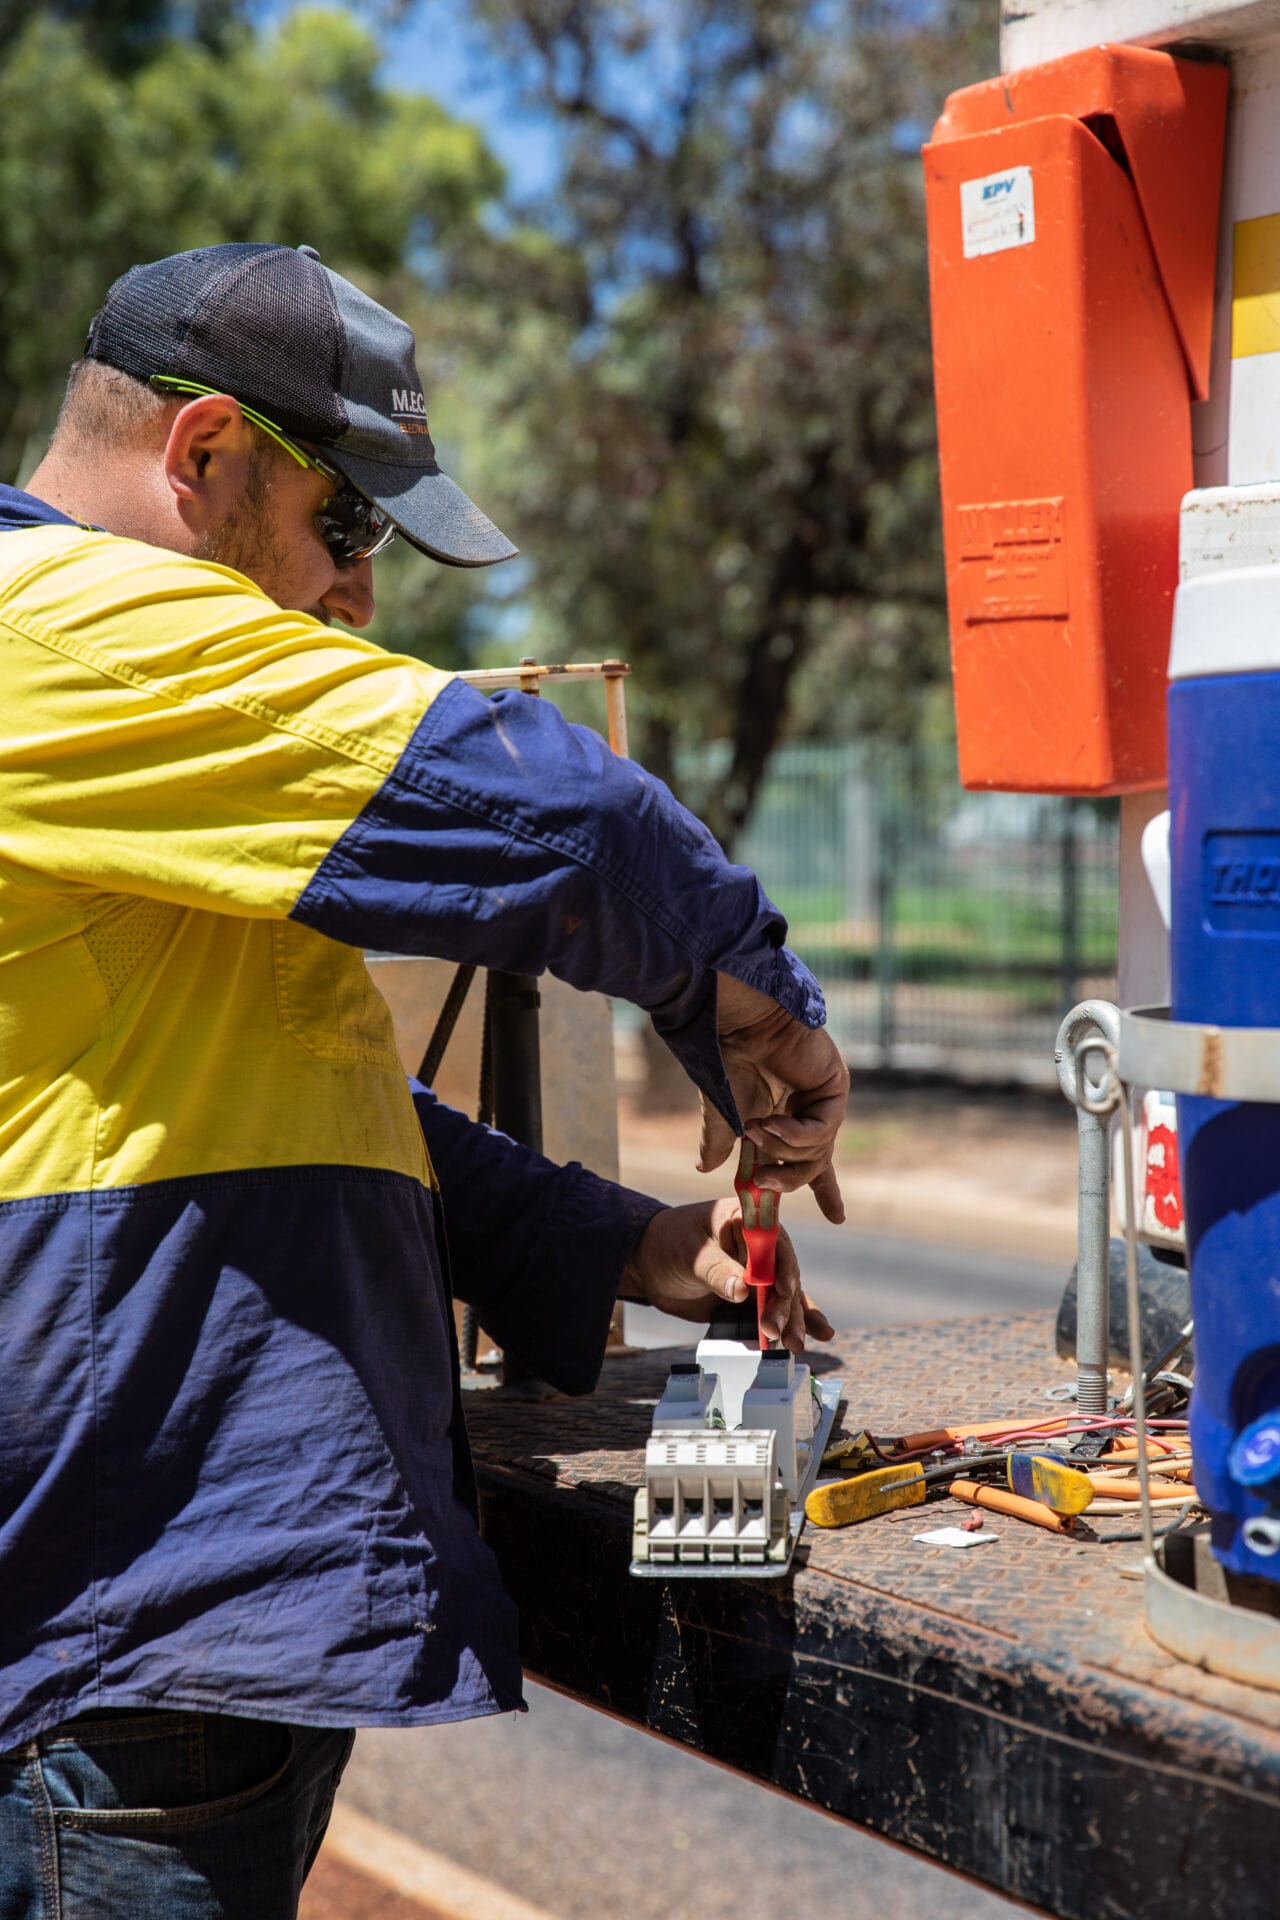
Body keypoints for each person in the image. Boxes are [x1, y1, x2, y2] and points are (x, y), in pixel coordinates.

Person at [0, 242, 849, 1917]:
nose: (361, 596)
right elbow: (567, 823)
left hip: (129, 1646)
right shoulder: (70, 631)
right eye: (351, 527)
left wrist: (620, 1243)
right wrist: (754, 1011)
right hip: (115, 1648)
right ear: (204, 457)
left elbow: (245, 1091)